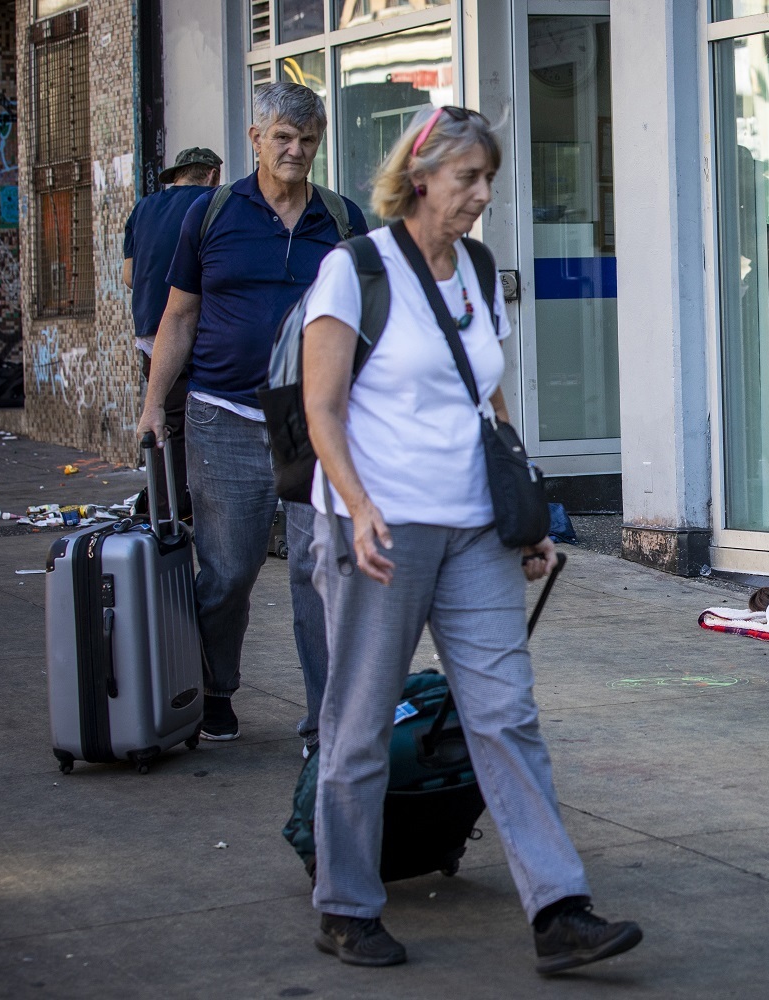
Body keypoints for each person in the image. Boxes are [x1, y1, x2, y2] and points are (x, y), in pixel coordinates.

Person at [300, 105, 642, 972]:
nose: (483, 196)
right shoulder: (356, 270)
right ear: (420, 180)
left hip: (474, 530)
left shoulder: (480, 269)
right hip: (380, 530)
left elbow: (490, 403)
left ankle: (559, 909)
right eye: (468, 180)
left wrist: (524, 514)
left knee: (504, 715)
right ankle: (346, 905)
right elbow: (322, 408)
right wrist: (358, 505)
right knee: (360, 722)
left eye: (488, 179)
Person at [136, 82, 369, 749]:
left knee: (316, 572)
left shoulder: (344, 221)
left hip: (312, 420)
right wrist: (156, 406)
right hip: (224, 416)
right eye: (284, 139)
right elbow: (178, 317)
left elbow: (374, 322)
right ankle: (216, 689)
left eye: (308, 141)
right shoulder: (211, 215)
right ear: (256, 139)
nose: (297, 151)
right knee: (229, 570)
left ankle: (327, 721)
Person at [123, 146, 223, 514]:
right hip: (195, 328)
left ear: (177, 176)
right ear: (212, 173)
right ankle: (175, 509)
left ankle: (165, 504)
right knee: (201, 423)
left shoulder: (143, 208)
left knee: (165, 417)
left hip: (150, 331)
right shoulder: (215, 202)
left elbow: (129, 277)